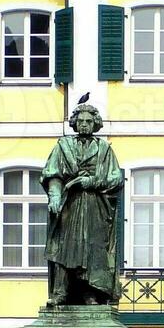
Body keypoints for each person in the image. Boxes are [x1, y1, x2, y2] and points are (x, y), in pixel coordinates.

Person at [42, 101, 124, 306]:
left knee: (92, 250)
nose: (84, 124)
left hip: (95, 207)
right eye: (81, 121)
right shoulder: (63, 146)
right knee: (62, 247)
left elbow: (117, 179)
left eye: (89, 121)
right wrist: (54, 196)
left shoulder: (104, 149)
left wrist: (94, 181)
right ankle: (60, 292)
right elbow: (53, 174)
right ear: (74, 123)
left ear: (95, 123)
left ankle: (91, 292)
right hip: (69, 204)